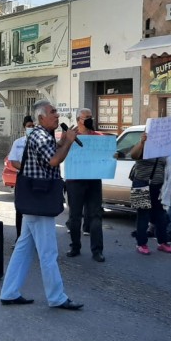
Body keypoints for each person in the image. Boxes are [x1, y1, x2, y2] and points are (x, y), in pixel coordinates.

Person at [0, 99, 84, 311]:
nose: (57, 115)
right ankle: (57, 297)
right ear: (40, 118)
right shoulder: (40, 135)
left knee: (23, 248)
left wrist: (63, 140)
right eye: (52, 112)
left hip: (34, 199)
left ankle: (9, 292)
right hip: (40, 199)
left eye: (56, 112)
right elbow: (54, 161)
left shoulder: (40, 135)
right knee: (48, 253)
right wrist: (69, 142)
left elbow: (47, 155)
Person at [65, 108, 105, 262]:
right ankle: (75, 246)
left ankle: (97, 250)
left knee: (95, 215)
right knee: (75, 216)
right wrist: (68, 140)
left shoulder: (98, 137)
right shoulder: (70, 135)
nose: (89, 119)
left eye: (91, 117)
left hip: (94, 179)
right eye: (86, 117)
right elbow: (62, 151)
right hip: (75, 180)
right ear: (78, 120)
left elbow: (104, 156)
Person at [129, 136, 171, 255]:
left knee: (160, 215)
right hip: (140, 183)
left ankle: (162, 242)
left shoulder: (164, 149)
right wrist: (141, 142)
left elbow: (169, 166)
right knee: (143, 214)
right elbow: (133, 155)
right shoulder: (144, 145)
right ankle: (141, 243)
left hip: (158, 186)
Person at [7, 116, 34, 240]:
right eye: (29, 126)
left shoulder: (41, 142)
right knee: (20, 209)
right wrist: (26, 168)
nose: (31, 128)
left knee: (34, 210)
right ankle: (19, 237)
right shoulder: (18, 143)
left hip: (36, 179)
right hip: (22, 178)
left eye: (33, 126)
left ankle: (33, 238)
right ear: (24, 127)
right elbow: (13, 161)